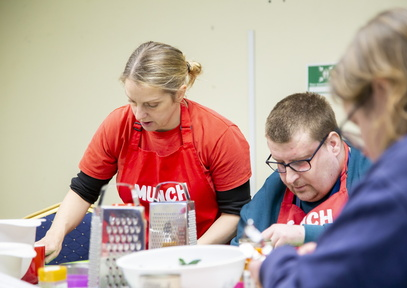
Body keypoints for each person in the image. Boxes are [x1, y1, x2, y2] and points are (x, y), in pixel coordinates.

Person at [250, 7, 407, 288]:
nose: (367, 149)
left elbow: (308, 283)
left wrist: (275, 264)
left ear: (383, 92)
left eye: (358, 122)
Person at [37, 41, 252, 263]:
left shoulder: (219, 135)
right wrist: (55, 234)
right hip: (140, 259)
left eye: (152, 104)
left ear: (179, 94)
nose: (139, 114)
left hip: (204, 258)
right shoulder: (119, 124)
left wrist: (188, 256)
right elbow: (84, 190)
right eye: (132, 101)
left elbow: (234, 212)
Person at [231, 92, 370, 247]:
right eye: (280, 163)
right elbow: (243, 244)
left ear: (333, 144)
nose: (289, 178)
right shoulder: (276, 186)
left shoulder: (372, 170)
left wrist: (303, 234)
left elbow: (381, 231)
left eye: (300, 162)